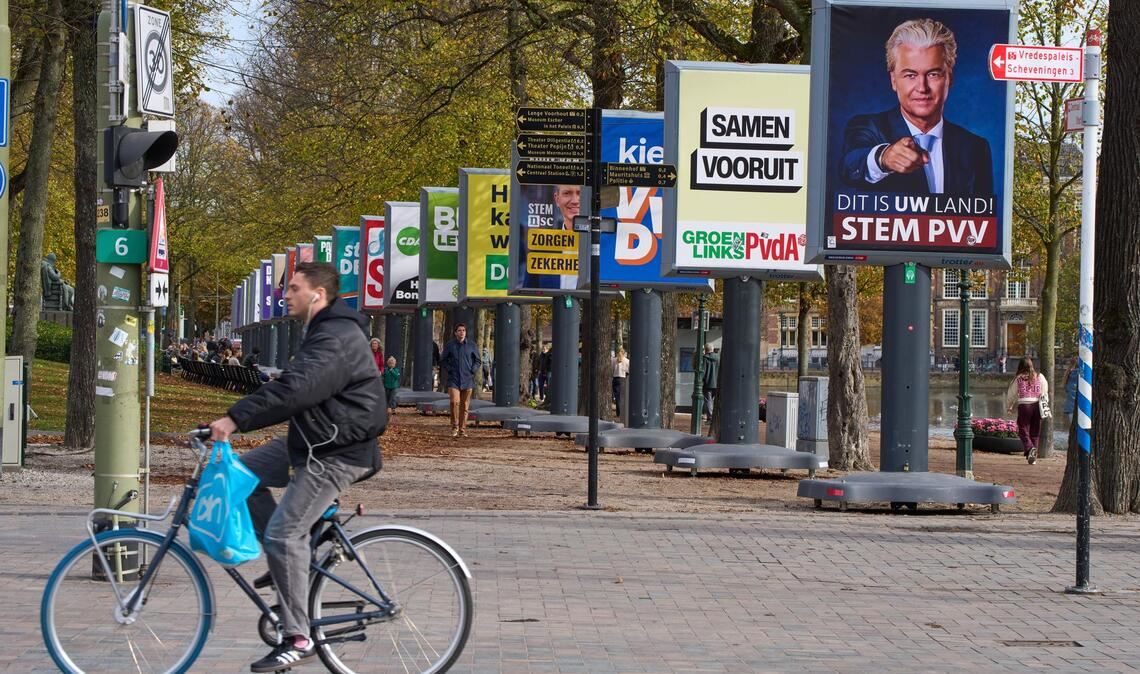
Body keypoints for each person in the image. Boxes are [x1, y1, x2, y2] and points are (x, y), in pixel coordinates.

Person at [208, 261, 386, 673]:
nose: (284, 295)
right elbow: (295, 388)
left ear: (317, 295)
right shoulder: (322, 330)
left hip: (337, 451)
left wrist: (234, 418)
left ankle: (298, 637)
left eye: (292, 288)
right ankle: (287, 563)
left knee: (284, 533)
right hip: (313, 440)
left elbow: (295, 390)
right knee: (240, 475)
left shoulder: (335, 337)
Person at [838, 18, 993, 195]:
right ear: (893, 80)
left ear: (949, 78)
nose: (922, 87)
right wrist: (884, 158)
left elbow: (983, 218)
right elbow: (850, 166)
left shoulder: (975, 148)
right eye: (910, 75)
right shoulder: (867, 128)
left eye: (933, 74)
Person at [440, 323, 481, 437]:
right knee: (454, 402)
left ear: (465, 332)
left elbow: (478, 361)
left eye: (463, 330)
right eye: (459, 330)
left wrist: (472, 370)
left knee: (465, 405)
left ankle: (462, 429)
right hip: (454, 379)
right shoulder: (450, 345)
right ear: (455, 333)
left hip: (467, 379)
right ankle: (454, 426)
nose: (461, 332)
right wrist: (450, 370)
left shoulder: (472, 345)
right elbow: (443, 360)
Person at [1005, 355, 1048, 465]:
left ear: (1020, 366)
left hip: (1024, 406)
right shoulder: (1040, 376)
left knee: (1023, 429)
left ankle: (1029, 448)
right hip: (1037, 405)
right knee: (1035, 431)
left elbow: (1011, 393)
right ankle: (1033, 455)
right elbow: (1044, 392)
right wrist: (1045, 405)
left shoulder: (1018, 378)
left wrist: (1009, 406)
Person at [700, 344, 720, 421]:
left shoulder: (705, 358)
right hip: (717, 384)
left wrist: (702, 380)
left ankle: (710, 417)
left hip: (708, 383)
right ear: (713, 349)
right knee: (715, 400)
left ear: (705, 349)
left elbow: (703, 372)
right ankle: (715, 416)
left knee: (708, 400)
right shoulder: (718, 357)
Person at [612, 348, 629, 417]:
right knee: (623, 397)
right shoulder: (627, 361)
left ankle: (618, 413)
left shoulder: (614, 360)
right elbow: (628, 370)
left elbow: (611, 368)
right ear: (624, 353)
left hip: (615, 378)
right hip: (622, 379)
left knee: (617, 397)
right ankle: (623, 413)